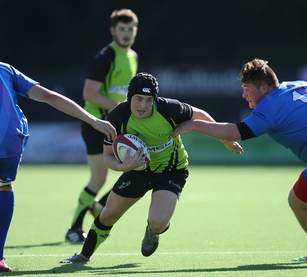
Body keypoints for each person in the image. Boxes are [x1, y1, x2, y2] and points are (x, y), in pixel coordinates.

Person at [0, 31, 116, 272]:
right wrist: (93, 120)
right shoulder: (5, 69)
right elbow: (48, 96)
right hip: (12, 140)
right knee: (4, 185)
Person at [172, 58, 307, 263]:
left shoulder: (269, 108)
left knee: (298, 201)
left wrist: (194, 125)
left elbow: (233, 132)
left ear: (264, 88)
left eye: (247, 88)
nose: (243, 94)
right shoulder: (297, 85)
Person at [59, 72, 243, 263]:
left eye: (149, 100)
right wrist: (124, 166)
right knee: (108, 214)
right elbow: (107, 157)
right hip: (138, 170)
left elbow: (200, 116)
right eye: (138, 99)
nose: (143, 106)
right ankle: (83, 255)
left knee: (157, 222)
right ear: (130, 98)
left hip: (171, 170)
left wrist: (224, 140)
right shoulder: (118, 117)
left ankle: (153, 231)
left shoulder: (170, 108)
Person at [65, 8, 139, 243]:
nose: (126, 34)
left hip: (117, 125)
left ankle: (99, 205)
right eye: (122, 29)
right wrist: (120, 107)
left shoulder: (133, 57)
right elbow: (90, 94)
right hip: (96, 123)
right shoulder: (104, 58)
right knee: (99, 177)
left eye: (130, 29)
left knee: (135, 166)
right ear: (112, 31)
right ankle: (74, 229)